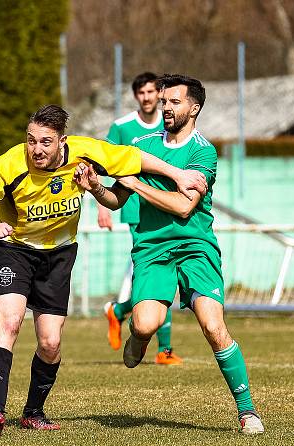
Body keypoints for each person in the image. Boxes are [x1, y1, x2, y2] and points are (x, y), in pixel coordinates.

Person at [0, 103, 207, 437]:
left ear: (63, 140)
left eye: (45, 141)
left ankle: (33, 412)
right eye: (31, 140)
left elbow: (135, 159)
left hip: (58, 255)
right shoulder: (11, 162)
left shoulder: (86, 152)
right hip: (13, 249)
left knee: (50, 342)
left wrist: (178, 175)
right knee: (10, 322)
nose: (36, 149)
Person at [73, 74, 264, 434]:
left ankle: (247, 411)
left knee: (213, 326)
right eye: (164, 102)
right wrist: (97, 187)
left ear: (194, 108)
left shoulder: (202, 151)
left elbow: (182, 206)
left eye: (175, 102)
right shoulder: (142, 146)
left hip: (196, 248)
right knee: (145, 323)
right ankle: (136, 336)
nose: (166, 108)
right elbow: (117, 200)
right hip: (152, 248)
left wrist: (135, 182)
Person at [98, 72, 182, 365]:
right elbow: (106, 164)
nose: (147, 98)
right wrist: (103, 207)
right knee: (160, 275)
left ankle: (119, 312)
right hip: (136, 210)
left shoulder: (171, 124)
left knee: (160, 277)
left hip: (168, 209)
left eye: (151, 92)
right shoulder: (122, 128)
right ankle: (164, 350)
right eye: (142, 93)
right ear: (136, 96)